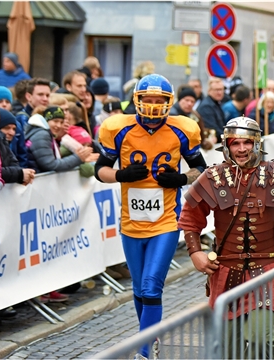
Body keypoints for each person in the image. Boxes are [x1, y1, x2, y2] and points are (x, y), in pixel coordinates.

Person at [178, 117, 274, 358]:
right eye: (235, 143)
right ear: (226, 145)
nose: (241, 149)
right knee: (226, 349)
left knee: (260, 338)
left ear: (257, 143)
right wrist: (195, 252)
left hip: (265, 271)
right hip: (226, 272)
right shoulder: (214, 176)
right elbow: (190, 217)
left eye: (247, 142)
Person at [94, 74, 207, 360]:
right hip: (131, 222)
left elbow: (201, 169)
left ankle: (143, 352)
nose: (154, 106)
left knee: (150, 285)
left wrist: (181, 177)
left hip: (166, 221)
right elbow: (100, 169)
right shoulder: (119, 128)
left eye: (160, 101)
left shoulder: (182, 129)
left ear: (169, 103)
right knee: (138, 285)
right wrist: (120, 174)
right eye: (149, 100)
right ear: (137, 101)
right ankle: (151, 338)